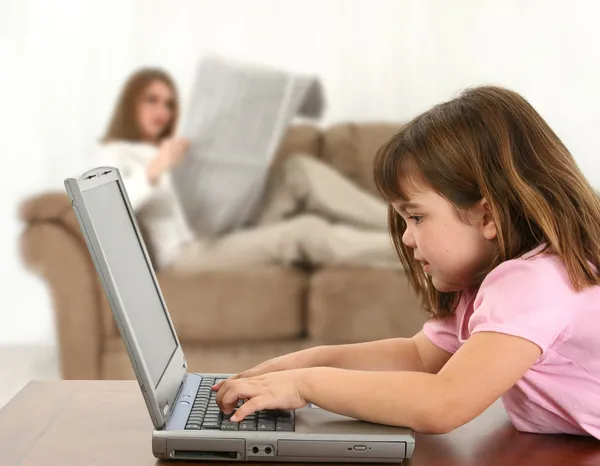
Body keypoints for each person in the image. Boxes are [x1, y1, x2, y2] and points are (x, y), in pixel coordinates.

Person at [212, 86, 600, 439]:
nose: (406, 237)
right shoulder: (485, 283)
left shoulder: (533, 282)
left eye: (416, 217)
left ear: (487, 217)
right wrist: (301, 365)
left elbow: (443, 402)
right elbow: (418, 358)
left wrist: (305, 386)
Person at [97, 67, 399, 271]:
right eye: (152, 101)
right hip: (188, 251)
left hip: (226, 225)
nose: (162, 111)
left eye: (169, 104)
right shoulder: (115, 153)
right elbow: (107, 211)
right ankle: (409, 251)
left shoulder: (179, 145)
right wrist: (155, 169)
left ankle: (400, 222)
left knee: (298, 169)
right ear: (131, 103)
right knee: (305, 232)